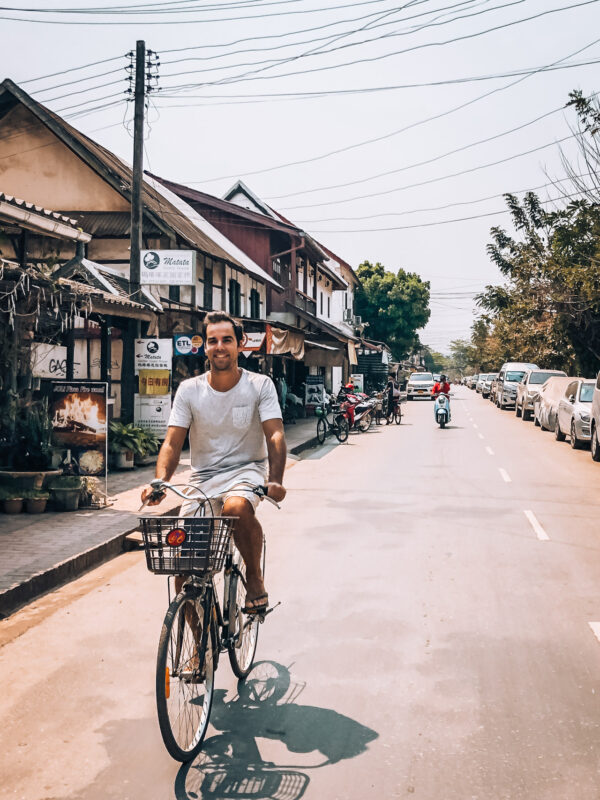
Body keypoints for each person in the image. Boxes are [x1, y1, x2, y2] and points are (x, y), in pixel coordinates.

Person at [141, 311, 287, 615]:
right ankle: (200, 655)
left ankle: (255, 577)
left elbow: (275, 435)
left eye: (227, 340)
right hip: (203, 479)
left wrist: (275, 479)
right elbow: (172, 441)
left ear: (240, 343)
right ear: (204, 347)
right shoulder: (189, 390)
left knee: (235, 507)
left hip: (246, 470)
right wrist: (160, 481)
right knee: (183, 572)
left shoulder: (259, 385)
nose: (220, 346)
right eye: (212, 341)